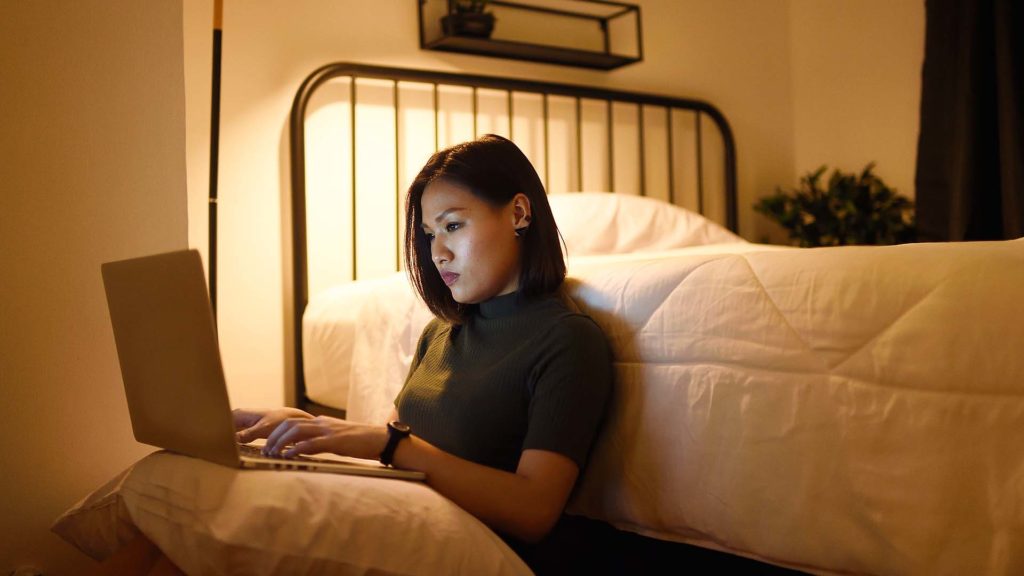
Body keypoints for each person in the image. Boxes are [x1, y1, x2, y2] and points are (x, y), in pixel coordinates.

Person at [236, 134, 614, 570]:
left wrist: (391, 444)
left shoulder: (566, 340)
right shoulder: (441, 334)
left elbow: (534, 511)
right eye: (430, 234)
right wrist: (308, 428)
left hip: (484, 555)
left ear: (519, 213)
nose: (438, 253)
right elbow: (401, 447)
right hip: (410, 527)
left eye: (453, 226)